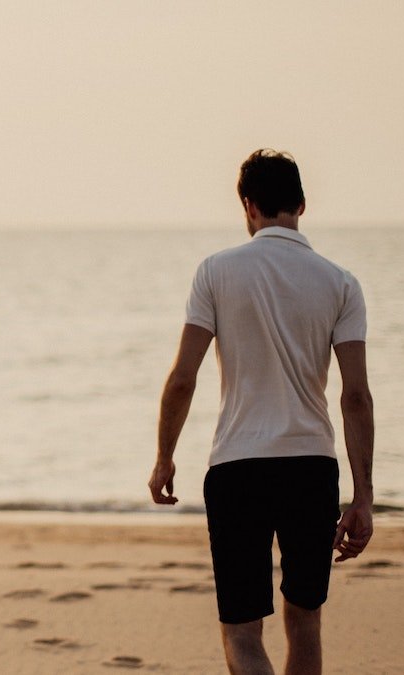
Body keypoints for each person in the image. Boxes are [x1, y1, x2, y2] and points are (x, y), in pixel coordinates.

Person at [147, 150, 374, 674]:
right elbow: (356, 396)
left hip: (238, 468)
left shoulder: (216, 271)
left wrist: (164, 457)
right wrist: (363, 496)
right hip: (311, 469)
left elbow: (182, 378)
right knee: (305, 621)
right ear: (302, 204)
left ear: (248, 206)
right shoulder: (341, 282)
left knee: (242, 630)